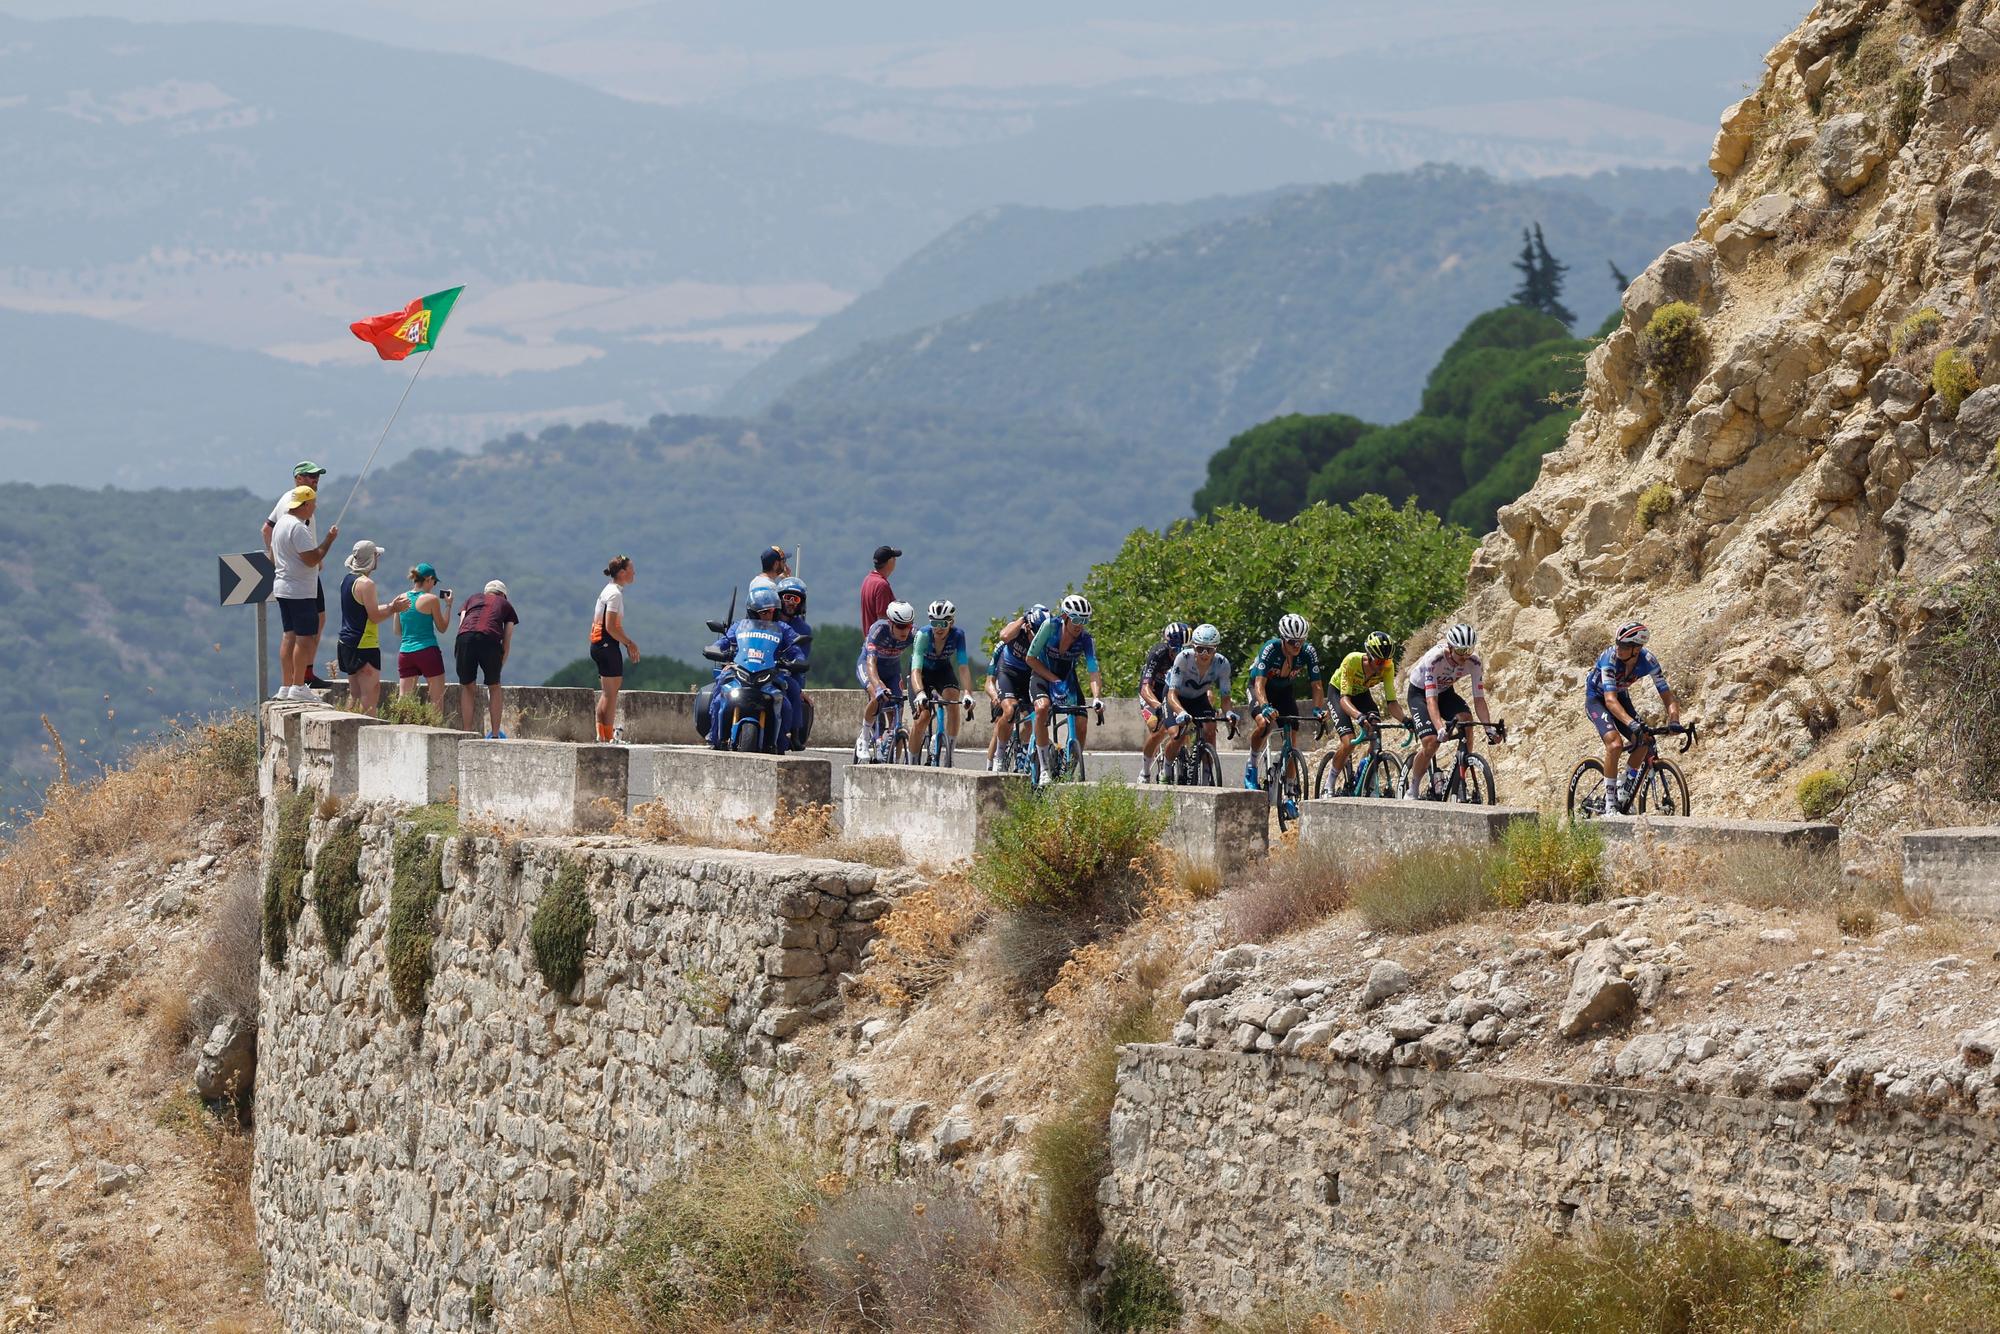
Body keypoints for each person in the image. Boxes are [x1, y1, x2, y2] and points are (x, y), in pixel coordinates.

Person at [1587, 619, 1679, 812]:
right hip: (1597, 699)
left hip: (1620, 697)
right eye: (1618, 643)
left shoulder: (1649, 661)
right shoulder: (1610, 658)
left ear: (1636, 649)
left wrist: (1674, 720)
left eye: (1624, 646)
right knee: (1615, 744)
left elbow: (1668, 696)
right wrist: (1631, 723)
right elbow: (1610, 701)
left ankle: (1624, 786)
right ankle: (1611, 804)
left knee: (1645, 740)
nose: (1618, 648)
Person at [1404, 623, 1503, 800]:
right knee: (1431, 741)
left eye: (1469, 650)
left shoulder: (1474, 662)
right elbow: (1431, 700)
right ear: (1450, 647)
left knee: (1466, 720)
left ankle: (1463, 763)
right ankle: (1413, 787)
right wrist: (1440, 728)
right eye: (1461, 650)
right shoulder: (1434, 659)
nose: (1465, 655)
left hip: (1445, 692)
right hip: (1420, 693)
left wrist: (1489, 728)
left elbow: (1479, 699)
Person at [706, 586, 803, 750]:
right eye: (764, 612)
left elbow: (796, 650)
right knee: (719, 692)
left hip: (771, 674)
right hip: (740, 670)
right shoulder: (739, 626)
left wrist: (796, 660)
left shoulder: (783, 628)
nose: (769, 615)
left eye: (772, 611)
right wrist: (717, 650)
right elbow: (723, 643)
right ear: (753, 612)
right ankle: (714, 735)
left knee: (785, 704)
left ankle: (782, 742)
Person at [262, 460, 331, 687]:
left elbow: (267, 528)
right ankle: (301, 679)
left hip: (289, 574)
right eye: (310, 476)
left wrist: (276, 559)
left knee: (296, 630)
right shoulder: (298, 504)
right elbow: (311, 556)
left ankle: (291, 681)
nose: (315, 479)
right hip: (301, 575)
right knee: (305, 632)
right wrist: (321, 550)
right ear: (298, 478)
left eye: (317, 476)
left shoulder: (287, 500)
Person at [268, 486, 339, 701]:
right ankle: (298, 685)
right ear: (305, 504)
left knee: (288, 636)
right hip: (300, 590)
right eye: (313, 503)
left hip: (282, 586)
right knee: (304, 638)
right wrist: (328, 539)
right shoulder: (298, 528)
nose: (315, 507)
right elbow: (311, 559)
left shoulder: (281, 524)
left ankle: (286, 685)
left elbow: (272, 556)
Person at [1026, 594, 1104, 786]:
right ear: (1065, 617)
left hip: (1067, 679)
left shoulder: (1086, 639)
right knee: (1042, 708)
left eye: (1084, 620)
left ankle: (1070, 767)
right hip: (1042, 675)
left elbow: (1093, 670)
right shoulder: (1050, 627)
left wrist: (1097, 698)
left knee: (1082, 722)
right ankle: (1044, 768)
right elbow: (1030, 659)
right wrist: (1052, 679)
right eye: (1076, 619)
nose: (1080, 625)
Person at [1244, 613, 1328, 790]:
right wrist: (1265, 706)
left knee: (1292, 738)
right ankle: (1251, 766)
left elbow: (1317, 685)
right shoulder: (1271, 648)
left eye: (1301, 641)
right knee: (1263, 724)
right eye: (1292, 642)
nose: (1297, 646)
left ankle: (1290, 787)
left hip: (1284, 691)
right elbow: (1259, 683)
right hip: (1260, 688)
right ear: (1282, 639)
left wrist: (1318, 709)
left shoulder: (1308, 651)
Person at [1326, 630, 1410, 792]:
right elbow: (1344, 699)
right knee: (1348, 742)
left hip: (1361, 694)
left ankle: (1365, 768)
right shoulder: (1352, 661)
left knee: (1376, 731)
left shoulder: (1387, 667)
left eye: (1386, 662)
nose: (1383, 666)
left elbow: (1391, 702)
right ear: (1369, 656)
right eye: (1379, 662)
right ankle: (1329, 783)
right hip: (1339, 693)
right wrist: (1358, 716)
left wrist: (1405, 720)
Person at [1160, 623, 1236, 779]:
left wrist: (1229, 712)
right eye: (1200, 648)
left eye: (1210, 649)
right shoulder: (1183, 658)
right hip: (1176, 697)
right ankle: (1166, 770)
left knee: (1210, 728)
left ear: (1216, 648)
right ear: (1193, 647)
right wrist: (1181, 712)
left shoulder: (1222, 664)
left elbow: (1225, 698)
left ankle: (1207, 775)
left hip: (1198, 698)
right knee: (1177, 734)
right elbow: (1172, 694)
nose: (1205, 654)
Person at [335, 539, 402, 714]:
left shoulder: (348, 580)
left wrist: (389, 606)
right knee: (370, 694)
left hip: (347, 643)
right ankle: (366, 730)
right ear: (372, 559)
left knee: (355, 694)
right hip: (364, 644)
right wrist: (393, 609)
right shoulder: (367, 584)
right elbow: (374, 616)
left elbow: (363, 612)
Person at [909, 600, 974, 766]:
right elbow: (915, 669)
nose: (938, 627)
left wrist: (968, 693)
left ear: (951, 623)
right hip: (922, 673)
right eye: (934, 622)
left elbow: (963, 667)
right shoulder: (923, 635)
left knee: (953, 699)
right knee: (922, 718)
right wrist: (920, 693)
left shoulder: (958, 635)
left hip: (943, 671)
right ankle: (912, 761)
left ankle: (949, 754)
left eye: (943, 623)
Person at [984, 604, 1048, 771]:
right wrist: (994, 696)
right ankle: (996, 759)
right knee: (1008, 712)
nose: (1037, 638)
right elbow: (1004, 636)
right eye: (1034, 632)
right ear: (1027, 626)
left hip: (1028, 678)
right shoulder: (1015, 632)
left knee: (1032, 720)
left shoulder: (1043, 638)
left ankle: (1022, 750)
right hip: (1008, 674)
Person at [455, 580, 520, 738]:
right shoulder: (506, 605)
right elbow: (507, 637)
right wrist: (499, 665)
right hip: (489, 639)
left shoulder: (471, 599)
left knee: (467, 686)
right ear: (503, 595)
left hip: (464, 637)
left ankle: (467, 733)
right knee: (494, 687)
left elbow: (461, 624)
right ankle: (496, 735)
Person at [855, 600, 915, 761]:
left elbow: (920, 662)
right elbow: (871, 663)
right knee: (877, 695)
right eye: (901, 626)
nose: (905, 631)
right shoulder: (879, 630)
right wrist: (878, 686)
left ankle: (892, 757)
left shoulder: (913, 635)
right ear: (891, 623)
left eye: (908, 626)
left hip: (892, 671)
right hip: (869, 667)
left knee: (898, 713)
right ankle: (864, 737)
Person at [591, 555, 640, 743]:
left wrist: (627, 641)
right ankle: (609, 735)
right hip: (606, 644)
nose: (634, 572)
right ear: (622, 573)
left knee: (607, 693)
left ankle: (602, 735)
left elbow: (614, 626)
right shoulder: (615, 594)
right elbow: (611, 626)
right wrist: (629, 643)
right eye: (631, 569)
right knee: (611, 694)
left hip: (599, 644)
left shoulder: (610, 590)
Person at [1139, 622, 1192, 782]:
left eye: (1186, 650)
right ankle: (1145, 771)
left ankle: (1183, 758)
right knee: (1158, 729)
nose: (1181, 655)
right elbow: (1145, 688)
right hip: (1152, 693)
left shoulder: (1191, 658)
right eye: (1176, 650)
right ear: (1169, 646)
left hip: (1173, 692)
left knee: (1185, 725)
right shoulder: (1158, 653)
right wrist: (1158, 706)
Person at [395, 563, 452, 706]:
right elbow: (442, 627)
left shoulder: (400, 598)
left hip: (405, 653)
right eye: (434, 581)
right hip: (427, 651)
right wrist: (448, 605)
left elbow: (397, 631)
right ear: (429, 579)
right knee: (436, 701)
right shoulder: (431, 599)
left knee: (404, 701)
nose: (433, 585)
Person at [775, 576, 814, 750]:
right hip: (762, 666)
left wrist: (800, 687)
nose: (791, 602)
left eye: (796, 599)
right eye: (787, 597)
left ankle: (796, 734)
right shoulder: (768, 620)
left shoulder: (803, 629)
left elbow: (801, 659)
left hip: (787, 672)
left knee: (794, 691)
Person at [860, 545, 900, 631]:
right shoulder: (882, 585)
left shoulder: (868, 579)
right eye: (894, 558)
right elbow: (883, 621)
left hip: (869, 640)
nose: (895, 560)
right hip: (880, 642)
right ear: (889, 561)